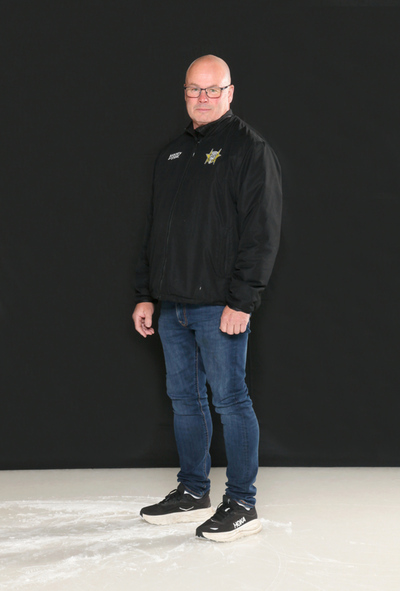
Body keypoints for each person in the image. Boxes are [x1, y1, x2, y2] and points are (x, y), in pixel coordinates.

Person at [132, 55, 282, 542]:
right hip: (171, 305)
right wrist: (146, 294)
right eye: (194, 89)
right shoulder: (172, 154)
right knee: (184, 401)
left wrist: (243, 301)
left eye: (213, 89)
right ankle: (193, 491)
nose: (203, 97)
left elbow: (262, 233)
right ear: (185, 93)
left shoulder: (249, 150)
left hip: (220, 305)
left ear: (230, 92)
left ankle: (242, 503)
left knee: (231, 401)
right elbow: (155, 231)